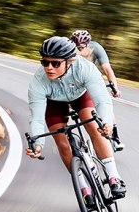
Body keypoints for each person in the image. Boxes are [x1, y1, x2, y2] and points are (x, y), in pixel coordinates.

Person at [25, 36, 127, 198]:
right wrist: (38, 143)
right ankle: (84, 189)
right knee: (61, 142)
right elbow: (36, 117)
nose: (49, 68)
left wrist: (106, 123)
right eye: (45, 62)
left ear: (69, 61)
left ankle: (114, 177)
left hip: (81, 96)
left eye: (55, 63)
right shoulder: (38, 81)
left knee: (95, 127)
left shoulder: (84, 68)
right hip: (55, 103)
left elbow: (102, 101)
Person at [70, 30, 120, 97]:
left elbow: (108, 70)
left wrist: (115, 88)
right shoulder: (68, 49)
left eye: (80, 48)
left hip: (90, 76)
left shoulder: (96, 48)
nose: (77, 52)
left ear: (88, 45)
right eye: (74, 48)